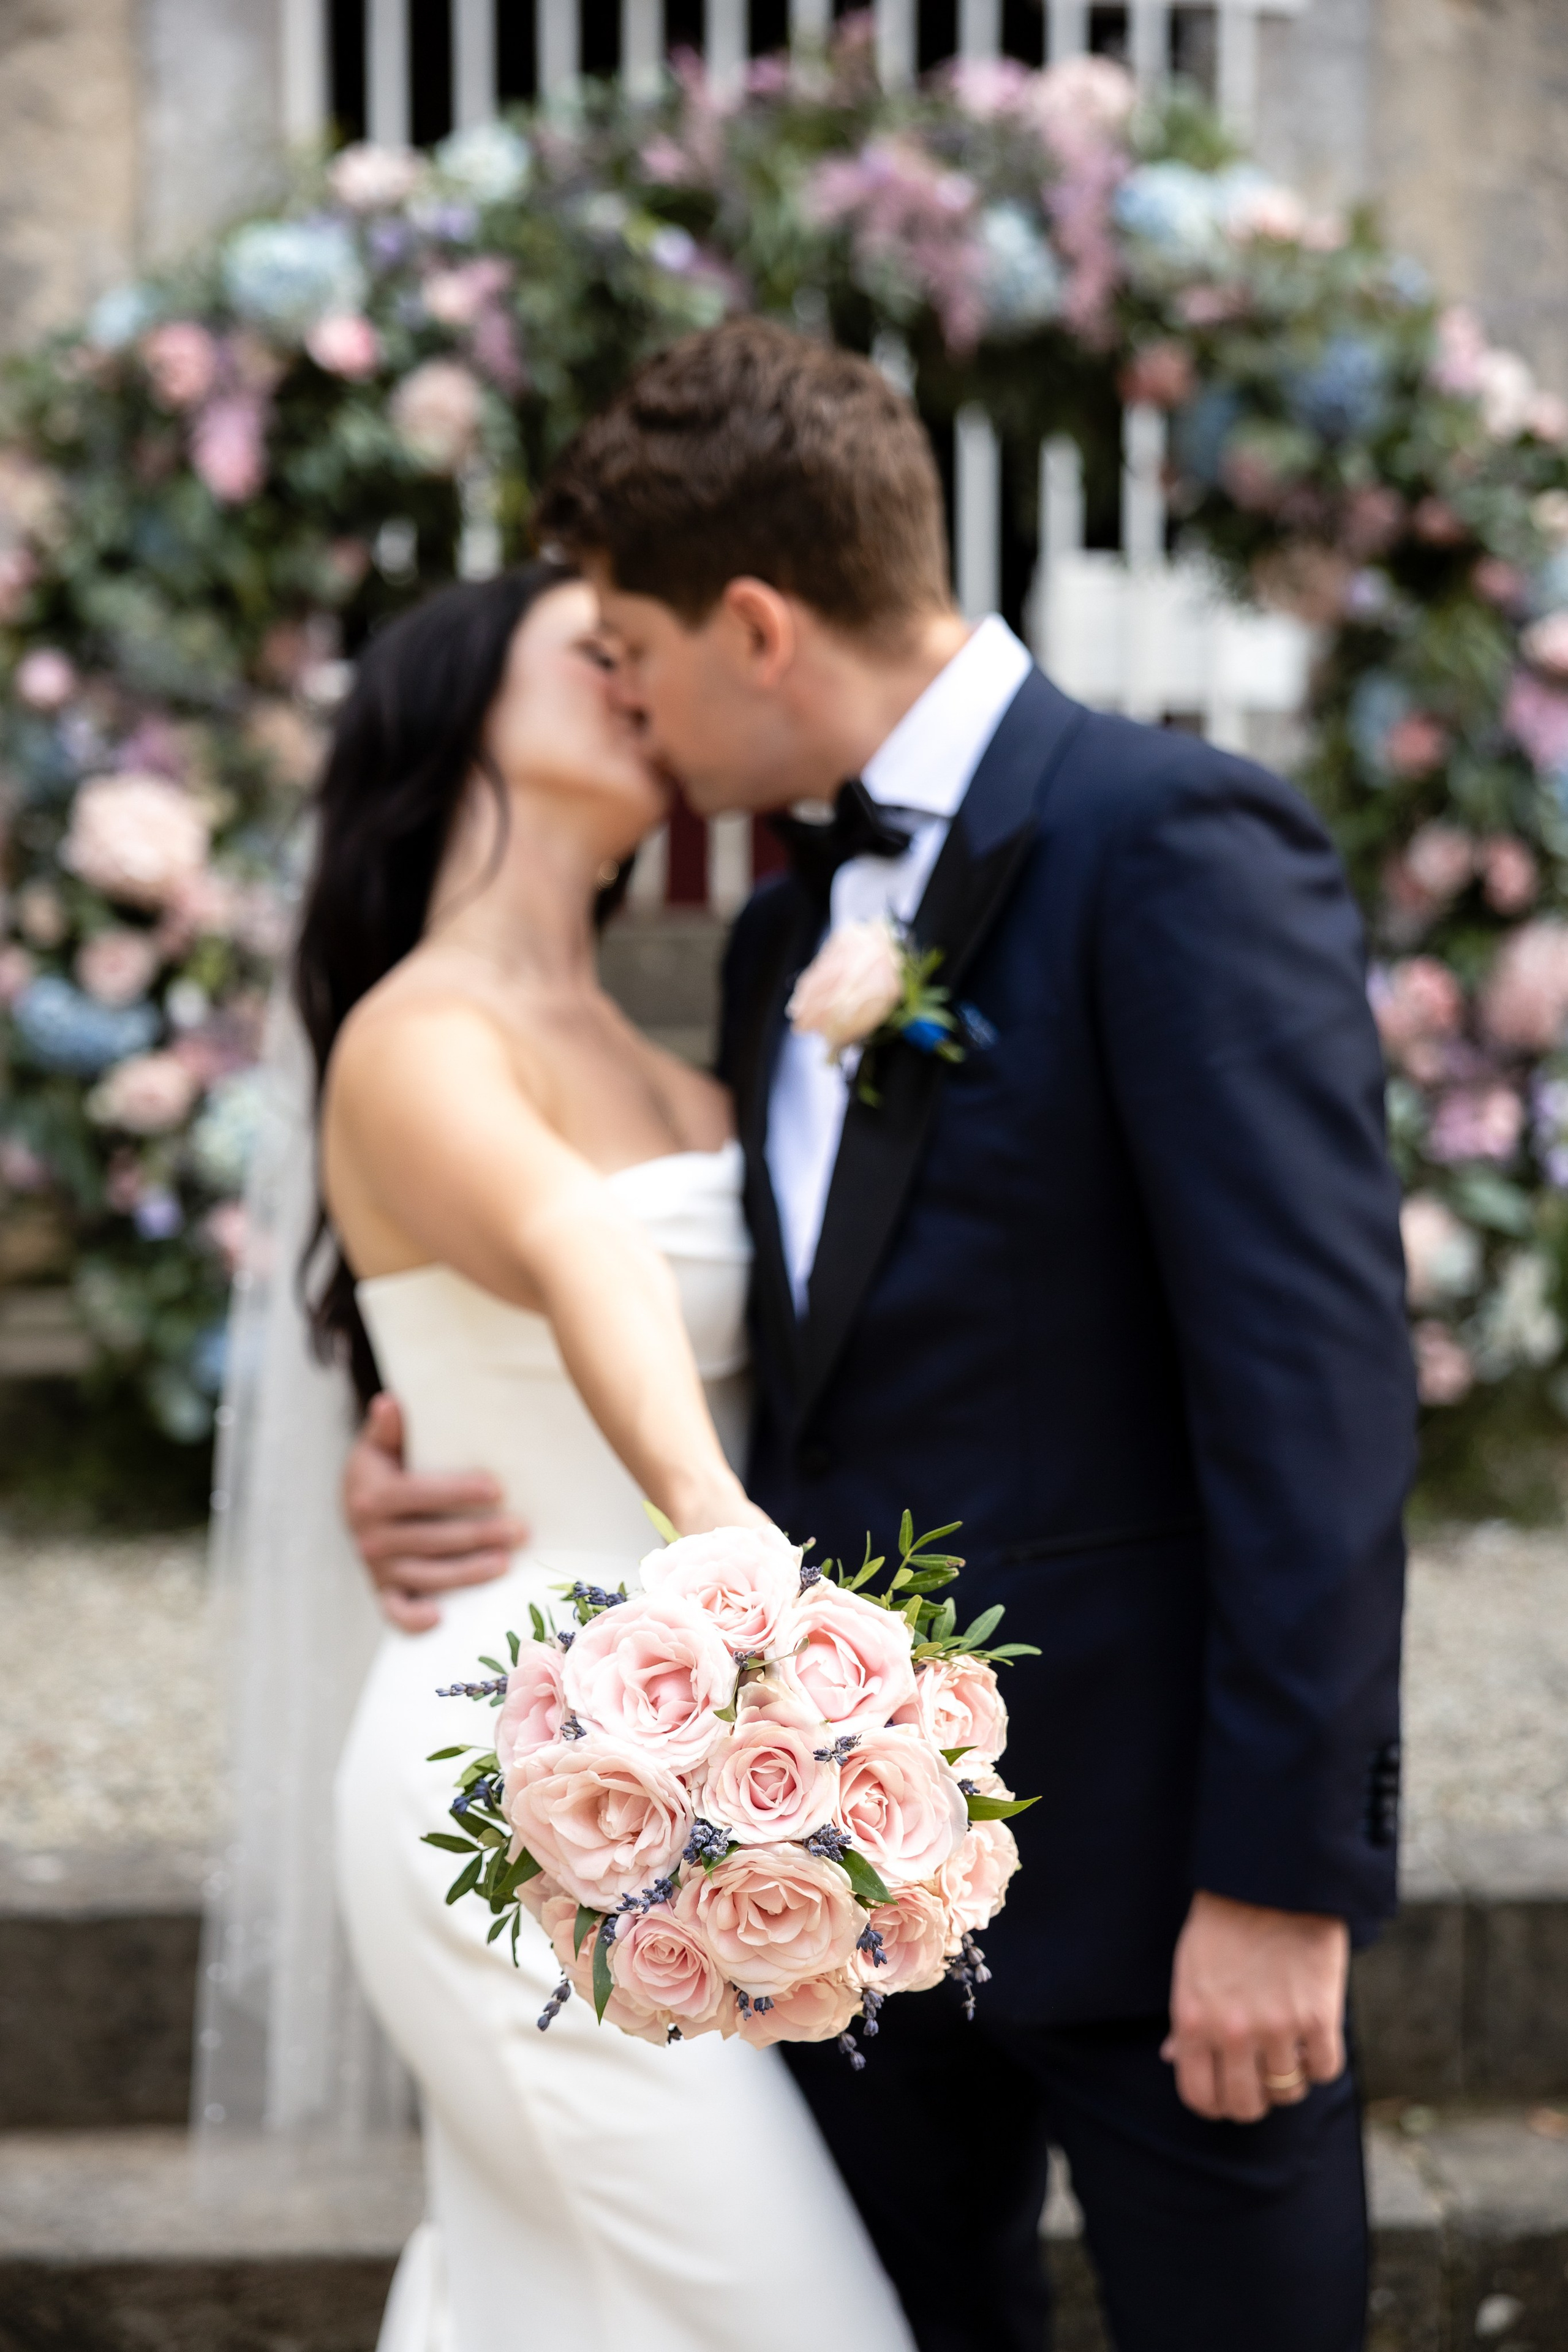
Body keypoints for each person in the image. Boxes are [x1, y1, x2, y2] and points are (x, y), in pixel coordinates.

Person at [345, 320, 1416, 2352]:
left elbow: (1319, 1406)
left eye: (636, 653)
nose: (632, 708)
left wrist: (1286, 1885)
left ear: (755, 622)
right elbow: (773, 1340)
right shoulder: (779, 937)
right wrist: (422, 1446)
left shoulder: (1176, 841)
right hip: (827, 1906)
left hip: (1167, 1909)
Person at [295, 559, 916, 2352]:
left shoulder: (677, 1049)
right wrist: (716, 1533)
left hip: (692, 1760)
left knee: (562, 2303)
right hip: (501, 1790)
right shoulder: (417, 1035)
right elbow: (579, 1250)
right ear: (458, 705)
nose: (639, 686)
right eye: (594, 654)